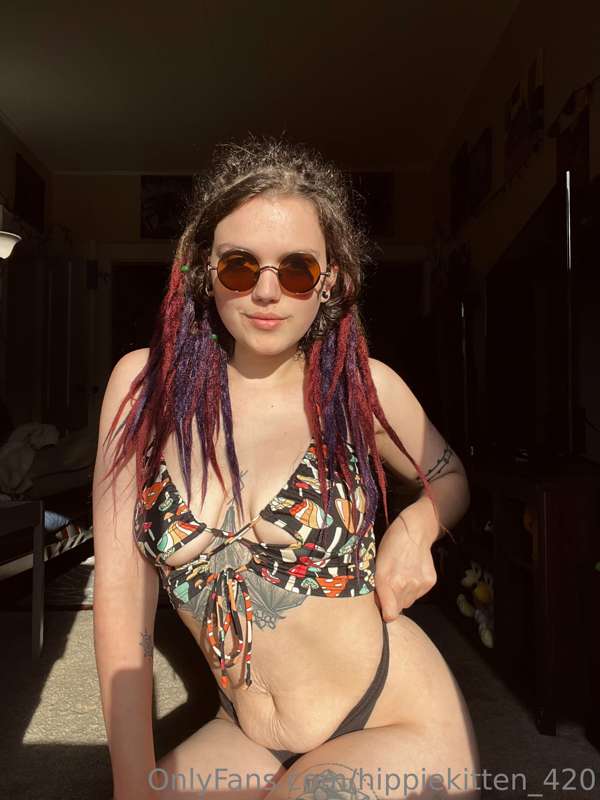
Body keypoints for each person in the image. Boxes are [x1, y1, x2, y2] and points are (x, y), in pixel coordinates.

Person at [93, 137, 481, 800]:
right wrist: (132, 787)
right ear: (204, 270)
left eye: (297, 270)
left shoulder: (363, 389)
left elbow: (450, 478)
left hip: (388, 713)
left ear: (329, 281)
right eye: (240, 267)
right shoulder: (143, 389)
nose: (267, 292)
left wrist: (416, 528)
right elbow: (122, 599)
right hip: (246, 732)